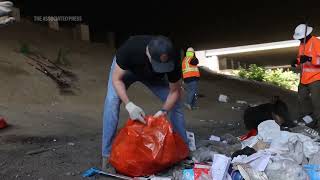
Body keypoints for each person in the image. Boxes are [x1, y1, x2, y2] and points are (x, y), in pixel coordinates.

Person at [101, 35, 188, 170]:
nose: (163, 67)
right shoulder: (130, 49)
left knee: (175, 104)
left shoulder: (173, 57)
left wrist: (164, 111)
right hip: (127, 72)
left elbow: (174, 91)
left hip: (153, 77)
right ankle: (106, 155)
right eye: (159, 65)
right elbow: (116, 80)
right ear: (147, 53)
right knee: (112, 101)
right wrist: (129, 105)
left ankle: (183, 152)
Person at [291, 24, 320, 128]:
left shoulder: (316, 42)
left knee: (317, 102)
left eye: (300, 38)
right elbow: (301, 58)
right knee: (302, 99)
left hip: (316, 77)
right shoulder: (302, 44)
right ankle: (307, 120)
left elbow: (312, 59)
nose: (299, 40)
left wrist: (309, 59)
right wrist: (297, 61)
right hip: (304, 78)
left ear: (307, 35)